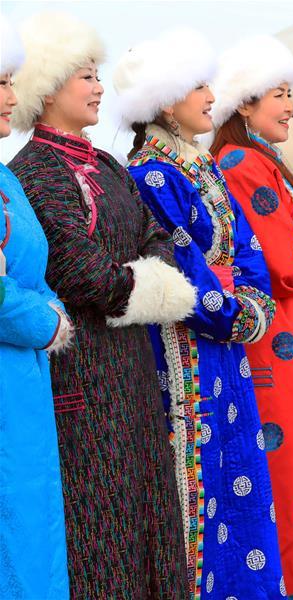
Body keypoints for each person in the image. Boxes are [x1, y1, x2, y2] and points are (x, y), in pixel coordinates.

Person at [9, 12, 195, 598]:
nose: (97, 87)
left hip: (129, 364)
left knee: (145, 505)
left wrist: (143, 280)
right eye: (85, 76)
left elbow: (156, 240)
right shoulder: (35, 170)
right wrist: (147, 289)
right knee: (99, 516)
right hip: (80, 373)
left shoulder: (107, 165)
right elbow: (77, 269)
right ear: (46, 89)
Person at [115, 27, 284, 598]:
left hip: (227, 343)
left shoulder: (201, 167)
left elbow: (248, 248)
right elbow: (183, 265)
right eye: (198, 85)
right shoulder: (151, 175)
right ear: (166, 100)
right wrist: (236, 315)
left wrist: (254, 306)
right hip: (184, 345)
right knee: (200, 477)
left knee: (239, 472)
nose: (212, 95)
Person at [210, 35, 293, 598]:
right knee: (290, 476)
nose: (290, 106)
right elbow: (286, 257)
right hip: (275, 337)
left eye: (292, 95)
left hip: (292, 334)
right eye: (278, 95)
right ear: (244, 103)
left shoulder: (262, 160)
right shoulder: (241, 162)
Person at [0, 16, 71, 598]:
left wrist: (43, 309)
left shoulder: (5, 179)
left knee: (32, 529)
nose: (10, 97)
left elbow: (33, 274)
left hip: (24, 381)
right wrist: (46, 319)